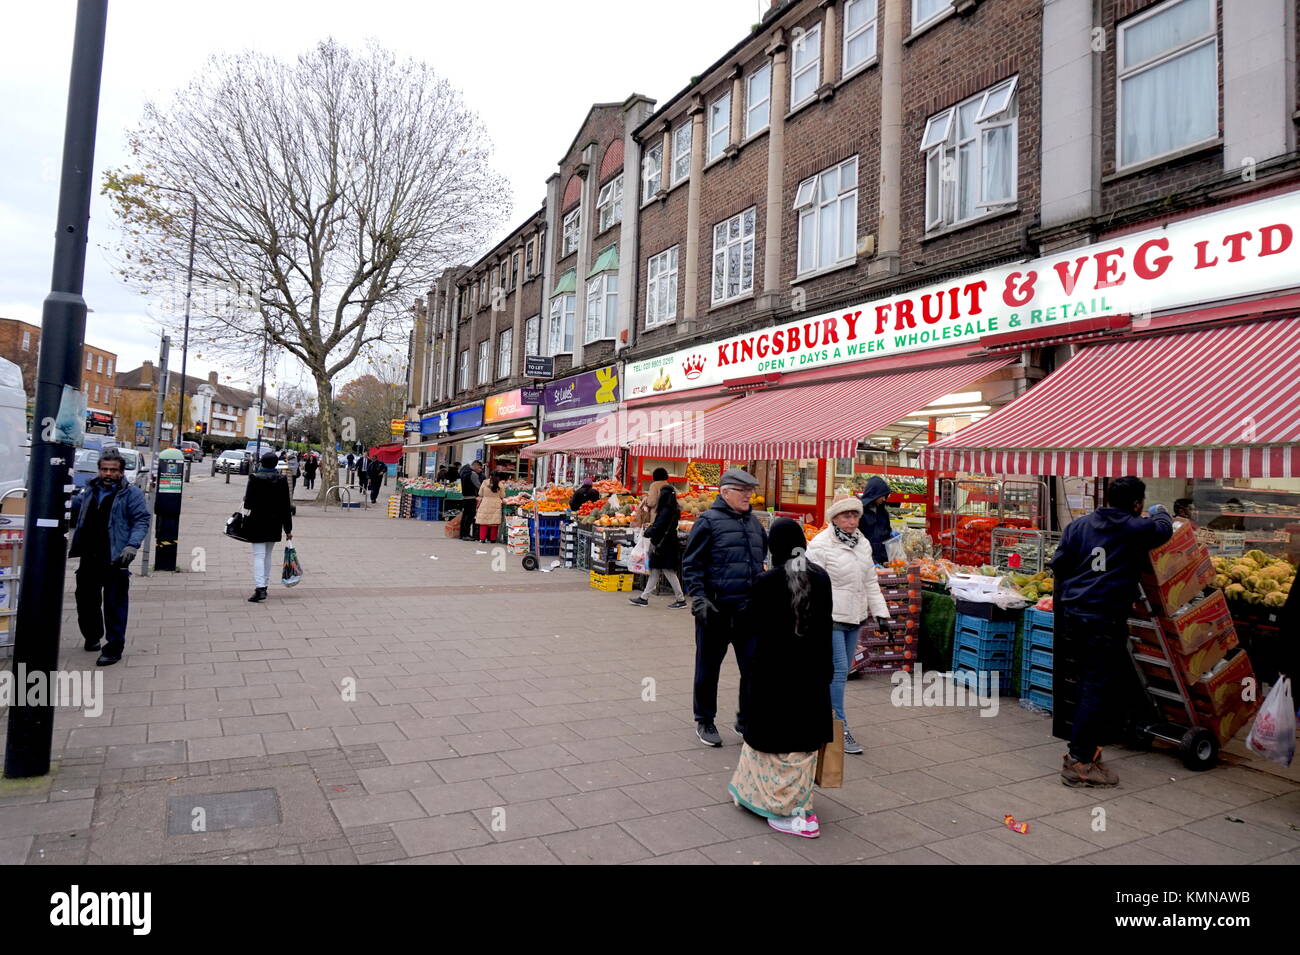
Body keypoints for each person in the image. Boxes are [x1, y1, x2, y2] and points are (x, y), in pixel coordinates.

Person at [1051, 475, 1173, 788]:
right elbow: (1163, 527)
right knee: (1096, 687)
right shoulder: (1136, 527)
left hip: (1075, 616)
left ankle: (1087, 752)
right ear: (1137, 504)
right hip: (1103, 619)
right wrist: (1160, 510)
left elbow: (1060, 566)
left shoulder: (1078, 526)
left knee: (1090, 684)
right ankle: (1079, 762)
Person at [728, 517, 834, 838]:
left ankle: (780, 807)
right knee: (800, 744)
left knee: (772, 743)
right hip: (811, 679)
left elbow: (746, 626)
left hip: (773, 679)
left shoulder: (766, 583)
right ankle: (794, 802)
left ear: (772, 547)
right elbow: (827, 628)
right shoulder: (822, 578)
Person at [681, 467, 768, 747]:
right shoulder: (707, 521)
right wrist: (699, 598)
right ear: (725, 492)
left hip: (749, 613)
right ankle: (704, 720)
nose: (748, 496)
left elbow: (760, 564)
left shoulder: (755, 524)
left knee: (753, 669)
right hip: (715, 611)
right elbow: (691, 564)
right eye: (743, 491)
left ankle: (745, 720)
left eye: (750, 491)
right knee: (708, 669)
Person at [807, 494, 890, 756]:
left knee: (830, 673)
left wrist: (881, 614)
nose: (852, 520)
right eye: (846, 516)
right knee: (840, 670)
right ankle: (838, 726)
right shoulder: (821, 545)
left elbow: (869, 582)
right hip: (829, 618)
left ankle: (817, 717)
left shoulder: (862, 543)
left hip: (854, 617)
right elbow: (810, 584)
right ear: (834, 518)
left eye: (855, 515)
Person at [69, 448, 152, 666]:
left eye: (113, 470)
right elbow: (74, 509)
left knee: (114, 605)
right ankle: (93, 634)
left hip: (116, 557)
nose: (108, 473)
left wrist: (132, 545)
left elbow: (141, 520)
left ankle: (114, 647)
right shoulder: (90, 490)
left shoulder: (130, 493)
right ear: (99, 470)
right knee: (86, 600)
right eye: (104, 469)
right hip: (89, 555)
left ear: (121, 472)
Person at [243, 451, 294, 603]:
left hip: (257, 521)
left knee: (258, 555)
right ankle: (264, 585)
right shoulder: (282, 480)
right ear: (275, 464)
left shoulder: (254, 478)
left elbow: (248, 504)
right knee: (268, 555)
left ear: (262, 463)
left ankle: (259, 588)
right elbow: (286, 506)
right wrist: (288, 529)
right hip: (274, 522)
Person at [629, 477, 686, 609]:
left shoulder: (666, 510)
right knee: (655, 571)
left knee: (668, 571)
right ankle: (644, 597)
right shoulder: (674, 509)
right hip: (667, 544)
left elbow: (659, 526)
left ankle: (680, 599)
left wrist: (648, 532)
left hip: (663, 545)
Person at [857, 475, 894, 565]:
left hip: (882, 559)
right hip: (864, 559)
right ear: (874, 494)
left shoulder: (883, 513)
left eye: (885, 496)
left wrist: (886, 558)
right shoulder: (859, 511)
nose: (884, 499)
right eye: (882, 496)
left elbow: (886, 535)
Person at [476, 471, 506, 542]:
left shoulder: (484, 482)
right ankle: (493, 539)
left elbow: (480, 493)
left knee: (483, 522)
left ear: (490, 476)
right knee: (494, 522)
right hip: (496, 504)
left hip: (485, 503)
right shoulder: (500, 484)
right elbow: (502, 495)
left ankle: (482, 539)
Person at [459, 460, 484, 540]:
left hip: (465, 497)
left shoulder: (464, 471)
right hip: (471, 498)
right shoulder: (473, 474)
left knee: (464, 516)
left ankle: (462, 534)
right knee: (469, 517)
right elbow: (478, 486)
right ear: (475, 465)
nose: (480, 470)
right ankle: (466, 535)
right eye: (479, 468)